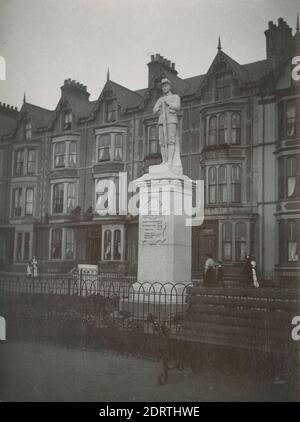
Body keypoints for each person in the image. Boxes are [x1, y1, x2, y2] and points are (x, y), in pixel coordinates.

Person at [153, 78, 181, 168]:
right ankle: (164, 160)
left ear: (170, 87)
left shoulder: (175, 97)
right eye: (163, 86)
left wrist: (167, 102)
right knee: (162, 141)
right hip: (162, 121)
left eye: (166, 86)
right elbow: (154, 110)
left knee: (170, 140)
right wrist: (159, 106)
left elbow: (177, 106)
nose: (164, 88)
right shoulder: (160, 99)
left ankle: (170, 161)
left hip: (171, 120)